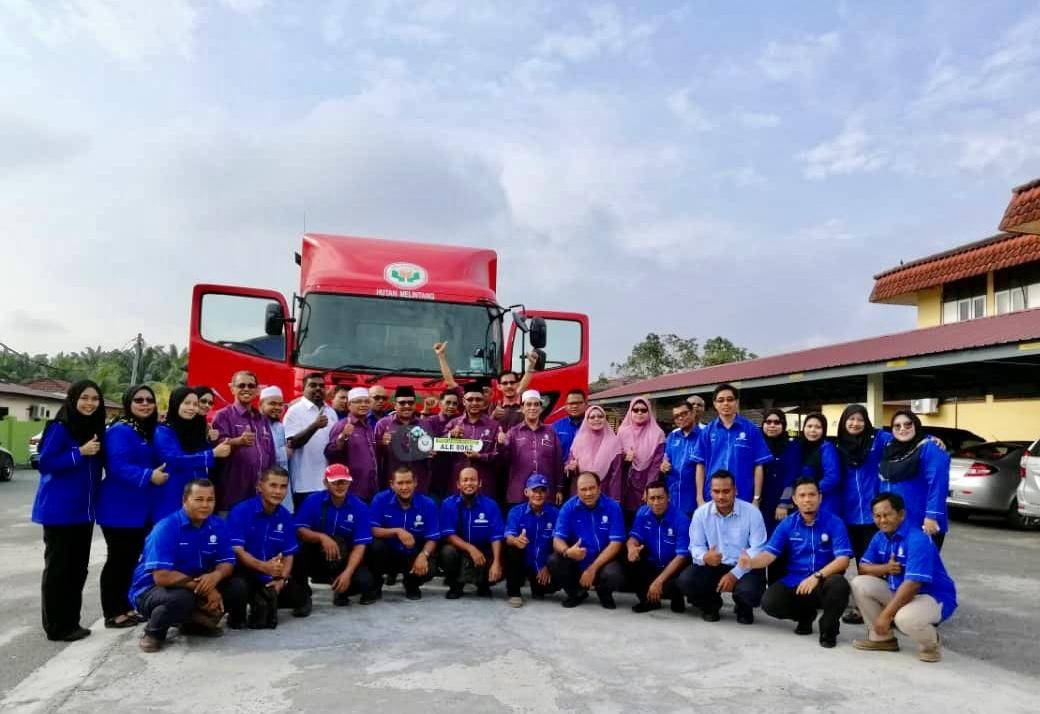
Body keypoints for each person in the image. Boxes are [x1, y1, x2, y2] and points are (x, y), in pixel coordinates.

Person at [130, 479, 247, 652]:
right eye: (199, 499)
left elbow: (227, 562)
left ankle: (194, 623)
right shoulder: (166, 528)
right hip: (152, 590)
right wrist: (208, 589)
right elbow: (161, 576)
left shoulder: (218, 525)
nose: (205, 505)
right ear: (185, 500)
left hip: (192, 584)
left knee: (238, 586)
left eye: (210, 500)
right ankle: (153, 633)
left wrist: (215, 577)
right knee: (181, 598)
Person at [31, 379, 106, 642]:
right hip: (59, 512)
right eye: (84, 398)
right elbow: (44, 462)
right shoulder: (60, 428)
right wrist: (79, 452)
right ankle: (55, 627)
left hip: (84, 512)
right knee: (58, 570)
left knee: (78, 569)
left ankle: (71, 622)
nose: (89, 403)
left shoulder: (96, 428)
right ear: (73, 399)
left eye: (95, 399)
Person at [740, 478, 853, 648]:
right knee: (769, 602)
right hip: (796, 580)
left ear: (820, 497)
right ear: (795, 499)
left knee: (840, 585)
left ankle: (828, 628)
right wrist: (751, 562)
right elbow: (770, 554)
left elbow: (843, 560)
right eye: (802, 495)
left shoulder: (835, 523)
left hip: (824, 579)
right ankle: (804, 616)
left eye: (812, 495)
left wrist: (817, 576)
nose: (807, 499)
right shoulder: (787, 524)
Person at [851, 492, 957, 662]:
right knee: (859, 583)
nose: (882, 520)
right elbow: (863, 567)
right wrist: (885, 568)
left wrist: (885, 615)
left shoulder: (918, 539)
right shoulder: (880, 536)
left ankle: (931, 644)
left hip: (931, 596)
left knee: (905, 619)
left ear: (901, 514)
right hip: (900, 591)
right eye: (878, 516)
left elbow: (913, 584)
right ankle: (882, 640)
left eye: (887, 515)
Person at [97, 384, 163, 629]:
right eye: (139, 400)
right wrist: (149, 476)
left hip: (140, 509)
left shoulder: (145, 431)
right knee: (118, 561)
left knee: (130, 560)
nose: (145, 404)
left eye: (149, 400)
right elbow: (118, 466)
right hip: (119, 509)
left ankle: (125, 607)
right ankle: (113, 613)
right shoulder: (121, 431)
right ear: (129, 404)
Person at [678, 470, 767, 624]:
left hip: (744, 566)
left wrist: (734, 574)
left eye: (726, 491)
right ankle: (710, 605)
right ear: (710, 492)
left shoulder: (752, 513)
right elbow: (696, 546)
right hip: (714, 564)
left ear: (735, 491)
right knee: (686, 581)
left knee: (749, 592)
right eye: (716, 491)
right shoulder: (700, 514)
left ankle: (743, 607)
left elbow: (758, 549)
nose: (721, 496)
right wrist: (705, 556)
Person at [226, 466, 309, 628]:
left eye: (283, 486)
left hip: (271, 575)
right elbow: (237, 550)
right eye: (273, 485)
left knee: (299, 598)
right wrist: (263, 567)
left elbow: (289, 553)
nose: (278, 491)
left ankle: (264, 602)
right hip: (245, 572)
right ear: (259, 486)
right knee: (238, 588)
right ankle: (236, 615)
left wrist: (280, 581)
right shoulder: (241, 511)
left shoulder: (285, 516)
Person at [835, 403, 893, 624]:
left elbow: (905, 438)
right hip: (847, 513)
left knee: (869, 561)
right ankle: (843, 601)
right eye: (851, 419)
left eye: (860, 419)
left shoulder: (878, 439)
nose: (855, 423)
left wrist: (930, 440)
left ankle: (871, 607)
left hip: (873, 514)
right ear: (844, 422)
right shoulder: (838, 445)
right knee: (843, 560)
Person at [294, 464, 377, 610]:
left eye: (343, 482)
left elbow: (360, 545)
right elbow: (300, 529)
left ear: (350, 482)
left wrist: (347, 573)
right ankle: (302, 595)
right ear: (326, 483)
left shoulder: (360, 507)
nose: (340, 486)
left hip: (345, 557)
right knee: (297, 549)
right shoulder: (312, 501)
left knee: (365, 582)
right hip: (318, 553)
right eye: (335, 482)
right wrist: (322, 538)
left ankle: (342, 588)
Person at [548, 471, 626, 609]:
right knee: (554, 560)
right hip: (578, 560)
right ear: (577, 491)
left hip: (602, 561)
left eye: (591, 488)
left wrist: (592, 568)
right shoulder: (568, 508)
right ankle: (576, 593)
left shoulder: (613, 507)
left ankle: (604, 593)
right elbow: (557, 540)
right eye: (583, 489)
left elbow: (616, 544)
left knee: (614, 574)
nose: (588, 493)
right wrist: (568, 551)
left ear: (599, 488)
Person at [153, 387, 232, 521]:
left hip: (197, 496)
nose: (192, 408)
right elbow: (174, 459)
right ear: (176, 403)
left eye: (195, 404)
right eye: (186, 403)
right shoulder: (163, 430)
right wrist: (211, 454)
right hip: (171, 496)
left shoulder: (197, 431)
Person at [693, 384, 772, 509]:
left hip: (744, 497)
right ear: (714, 404)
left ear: (737, 402)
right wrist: (699, 498)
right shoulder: (707, 432)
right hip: (713, 498)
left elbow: (758, 465)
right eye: (721, 400)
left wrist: (756, 499)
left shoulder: (751, 429)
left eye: (730, 399)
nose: (725, 403)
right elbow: (700, 465)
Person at [879, 411, 950, 551]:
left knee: (921, 568)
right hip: (897, 522)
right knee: (898, 569)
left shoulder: (930, 447)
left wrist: (932, 516)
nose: (902, 429)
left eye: (908, 424)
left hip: (921, 521)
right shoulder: (890, 449)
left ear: (916, 425)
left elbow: (938, 484)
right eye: (897, 426)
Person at [368, 466, 441, 600]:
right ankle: (375, 585)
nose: (405, 487)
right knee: (374, 546)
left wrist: (423, 555)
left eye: (408, 482)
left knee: (430, 568)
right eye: (400, 483)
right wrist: (397, 531)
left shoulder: (428, 504)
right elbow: (372, 529)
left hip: (413, 552)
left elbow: (433, 537)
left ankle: (411, 584)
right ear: (392, 485)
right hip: (389, 552)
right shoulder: (380, 499)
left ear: (415, 483)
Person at [212, 370, 275, 510]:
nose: (246, 389)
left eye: (251, 386)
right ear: (232, 388)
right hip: (232, 498)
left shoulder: (262, 419)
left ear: (257, 390)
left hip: (259, 496)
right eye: (241, 385)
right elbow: (218, 448)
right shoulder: (223, 416)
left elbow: (270, 455)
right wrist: (238, 441)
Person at [439, 467, 505, 598]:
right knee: (447, 552)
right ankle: (455, 586)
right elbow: (448, 535)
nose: (469, 483)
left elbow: (496, 536)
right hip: (460, 550)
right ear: (458, 484)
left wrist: (497, 562)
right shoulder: (448, 504)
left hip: (484, 551)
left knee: (501, 554)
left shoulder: (491, 505)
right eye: (465, 480)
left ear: (480, 483)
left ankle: (483, 585)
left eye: (473, 480)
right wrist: (470, 548)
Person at [626, 480, 691, 614]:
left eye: (660, 498)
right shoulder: (642, 513)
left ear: (668, 497)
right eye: (652, 498)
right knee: (630, 559)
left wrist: (659, 581)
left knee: (679, 581)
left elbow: (682, 556)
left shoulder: (681, 519)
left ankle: (676, 596)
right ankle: (649, 601)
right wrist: (631, 548)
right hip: (653, 563)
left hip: (674, 567)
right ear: (646, 499)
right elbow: (634, 537)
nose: (656, 502)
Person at [499, 390, 564, 507]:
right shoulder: (513, 433)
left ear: (541, 408)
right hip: (519, 493)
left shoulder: (551, 432)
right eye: (528, 404)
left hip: (546, 493)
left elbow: (558, 462)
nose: (532, 408)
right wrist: (502, 445)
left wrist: (559, 488)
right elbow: (503, 461)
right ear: (522, 408)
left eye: (536, 404)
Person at [504, 474, 560, 607]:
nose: (538, 495)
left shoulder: (556, 514)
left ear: (547, 493)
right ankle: (514, 592)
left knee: (541, 592)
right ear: (526, 492)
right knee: (513, 549)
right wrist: (516, 540)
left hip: (542, 565)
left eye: (542, 490)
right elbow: (508, 536)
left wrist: (548, 566)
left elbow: (560, 541)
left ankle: (538, 585)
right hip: (523, 561)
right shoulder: (516, 512)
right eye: (534, 490)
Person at [284, 372, 338, 510]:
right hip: (305, 483)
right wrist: (314, 426)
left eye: (321, 385)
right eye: (312, 385)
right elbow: (292, 443)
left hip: (328, 482)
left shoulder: (331, 412)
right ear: (303, 389)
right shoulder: (294, 411)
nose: (318, 388)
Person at [375, 385, 433, 493]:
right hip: (392, 484)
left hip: (418, 483)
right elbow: (375, 457)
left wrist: (430, 452)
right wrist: (382, 444)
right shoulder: (383, 424)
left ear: (415, 405)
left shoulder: (425, 425)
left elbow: (430, 452)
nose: (407, 406)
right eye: (402, 403)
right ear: (395, 405)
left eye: (410, 403)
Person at [325, 387, 379, 501]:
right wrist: (342, 437)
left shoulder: (368, 426)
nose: (363, 404)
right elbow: (330, 454)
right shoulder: (342, 425)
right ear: (349, 405)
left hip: (370, 490)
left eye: (366, 401)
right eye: (358, 401)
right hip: (351, 490)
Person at [617, 396, 666, 524]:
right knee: (625, 518)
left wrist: (648, 488)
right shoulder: (622, 432)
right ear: (630, 412)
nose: (639, 413)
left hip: (646, 482)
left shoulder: (657, 434)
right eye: (636, 409)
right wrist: (625, 459)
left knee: (645, 518)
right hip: (626, 485)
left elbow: (656, 465)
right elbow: (615, 462)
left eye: (643, 410)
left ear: (649, 412)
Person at [445, 385, 499, 497]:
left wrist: (480, 456)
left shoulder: (494, 426)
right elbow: (438, 448)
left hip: (484, 487)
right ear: (463, 402)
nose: (474, 403)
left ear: (484, 402)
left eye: (478, 400)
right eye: (470, 399)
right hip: (457, 486)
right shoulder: (454, 424)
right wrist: (450, 436)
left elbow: (500, 456)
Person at [565, 405, 623, 500]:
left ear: (605, 419)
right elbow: (570, 466)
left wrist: (615, 499)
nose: (597, 419)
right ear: (586, 420)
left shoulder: (614, 442)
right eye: (592, 417)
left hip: (604, 494)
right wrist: (571, 467)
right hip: (581, 493)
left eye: (600, 416)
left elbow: (616, 476)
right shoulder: (578, 441)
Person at [661, 401, 704, 518]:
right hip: (673, 498)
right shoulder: (672, 437)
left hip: (696, 500)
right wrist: (664, 464)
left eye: (684, 413)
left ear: (693, 413)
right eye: (676, 416)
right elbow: (666, 457)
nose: (680, 418)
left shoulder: (704, 436)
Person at [759, 408, 799, 537]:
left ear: (784, 425)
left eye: (777, 422)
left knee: (781, 539)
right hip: (759, 502)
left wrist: (784, 503)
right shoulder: (757, 444)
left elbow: (791, 476)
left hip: (781, 503)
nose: (772, 425)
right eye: (768, 422)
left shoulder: (792, 446)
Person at [793, 412, 841, 517]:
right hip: (804, 501)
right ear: (803, 428)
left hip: (825, 502)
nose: (812, 430)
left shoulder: (827, 447)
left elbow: (832, 477)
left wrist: (809, 491)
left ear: (824, 430)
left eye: (818, 427)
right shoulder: (799, 447)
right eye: (809, 426)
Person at [553, 389, 588, 464]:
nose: (575, 406)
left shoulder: (593, 425)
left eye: (579, 403)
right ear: (565, 406)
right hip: (562, 473)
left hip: (587, 473)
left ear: (586, 405)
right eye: (571, 403)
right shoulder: (556, 426)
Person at [259, 386, 288, 473]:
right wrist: (284, 453)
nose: (277, 407)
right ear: (260, 405)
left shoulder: (280, 427)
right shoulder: (256, 426)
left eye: (280, 404)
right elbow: (260, 455)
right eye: (272, 404)